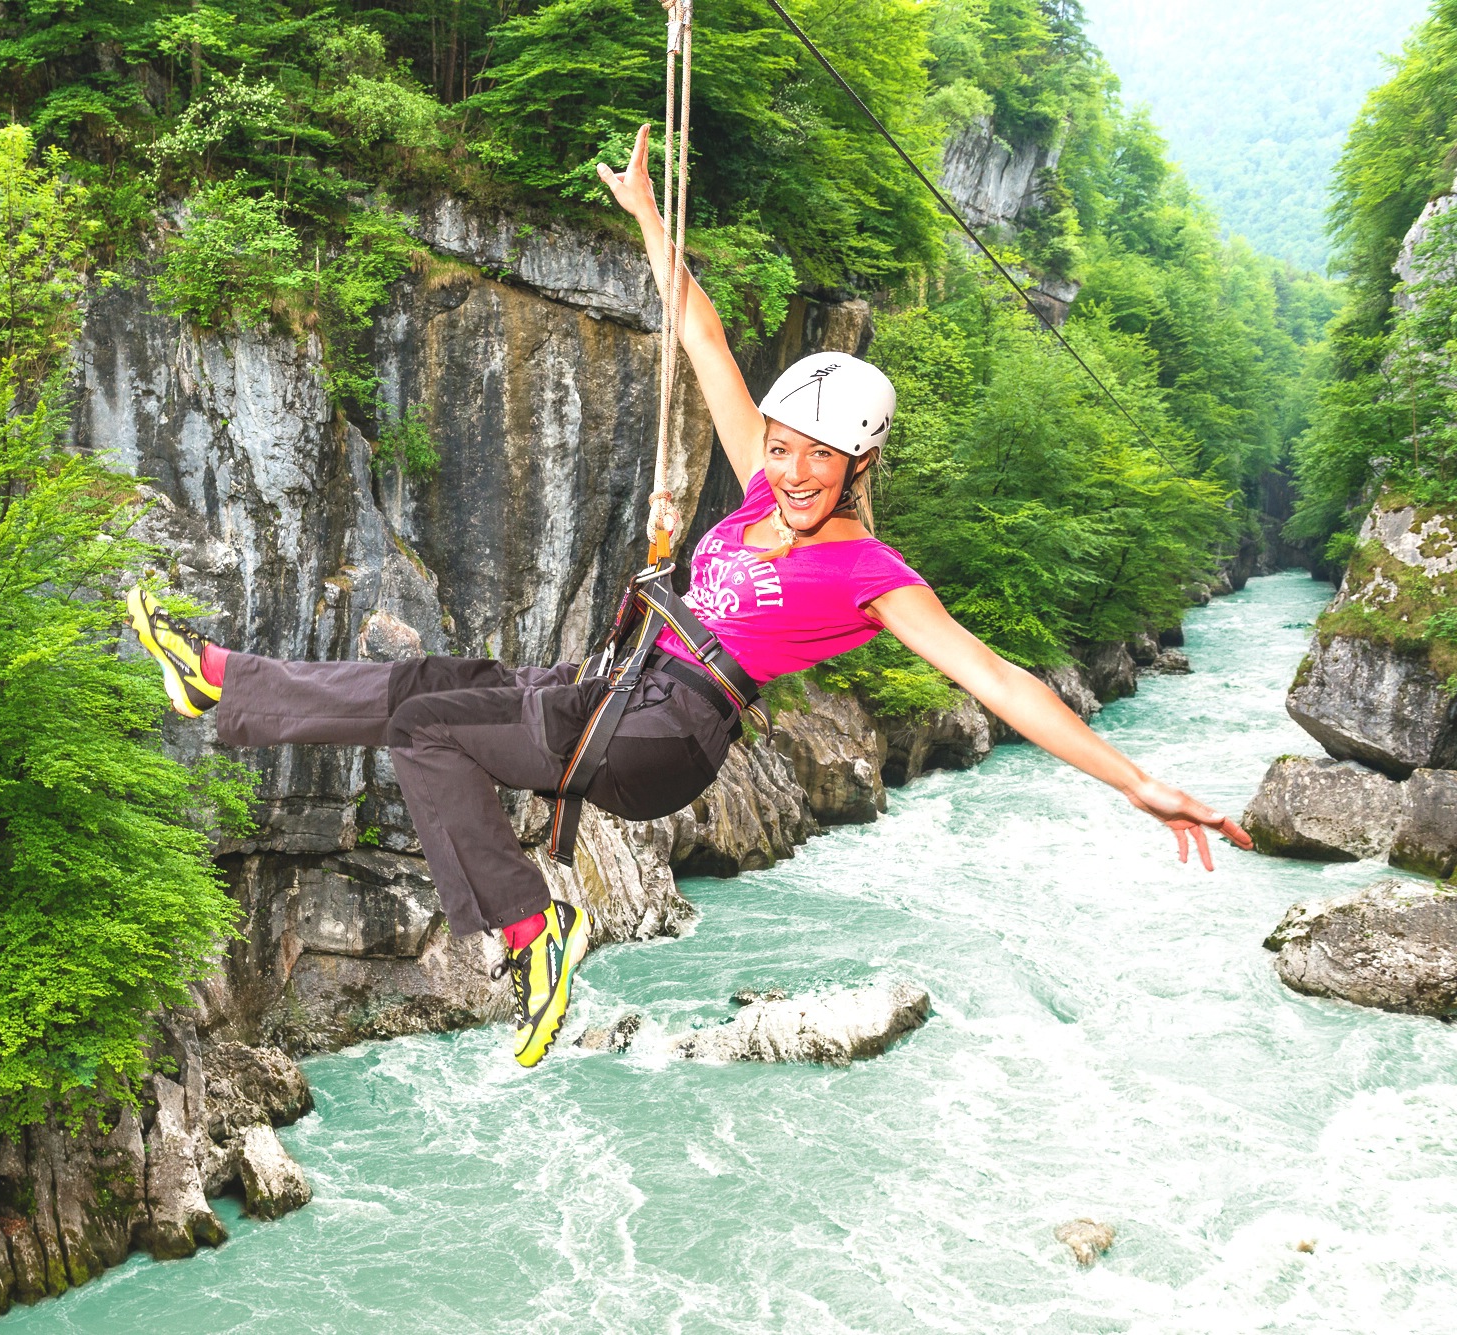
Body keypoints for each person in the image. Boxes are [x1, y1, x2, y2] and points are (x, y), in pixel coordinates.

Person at [127, 124, 1253, 1069]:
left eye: (821, 458)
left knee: (426, 729)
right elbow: (703, 338)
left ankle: (531, 930)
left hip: (665, 737)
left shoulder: (869, 575)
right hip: (615, 691)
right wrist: (647, 216)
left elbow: (997, 682)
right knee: (434, 686)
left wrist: (1142, 783)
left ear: (859, 467)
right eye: (782, 446)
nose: (796, 471)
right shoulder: (760, 482)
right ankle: (224, 681)